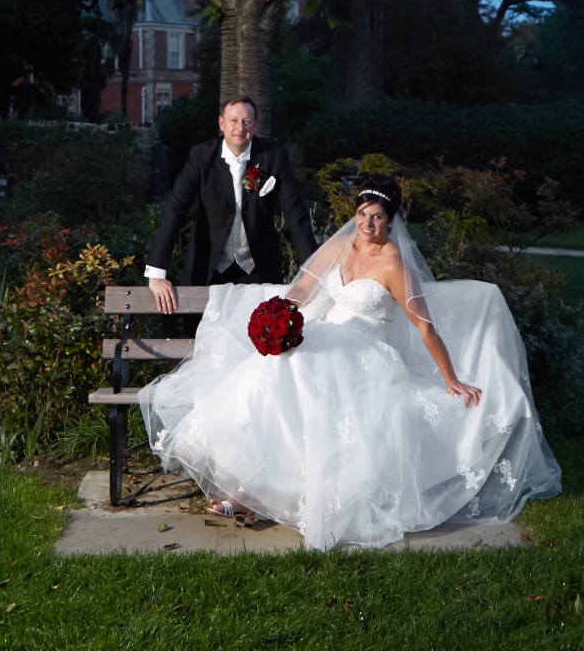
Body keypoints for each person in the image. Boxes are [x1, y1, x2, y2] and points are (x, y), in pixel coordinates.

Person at [139, 174, 562, 550]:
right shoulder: (341, 244)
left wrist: (451, 379)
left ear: (390, 221)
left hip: (363, 350)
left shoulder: (393, 262)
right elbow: (302, 289)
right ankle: (249, 492)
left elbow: (425, 327)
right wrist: (278, 320)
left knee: (302, 369)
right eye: (362, 214)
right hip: (324, 333)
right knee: (278, 363)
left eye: (377, 217)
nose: (367, 224)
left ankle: (256, 495)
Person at [144, 96, 317, 313]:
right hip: (209, 266)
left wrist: (313, 273)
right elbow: (174, 209)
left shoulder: (274, 157)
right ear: (221, 123)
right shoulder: (201, 157)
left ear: (255, 126)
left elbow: (296, 214)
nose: (239, 128)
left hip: (257, 268)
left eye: (246, 121)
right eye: (233, 121)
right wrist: (157, 273)